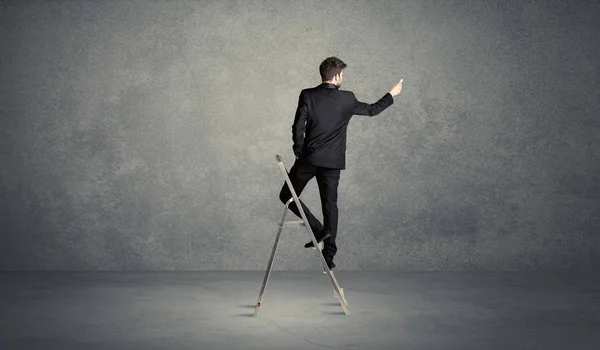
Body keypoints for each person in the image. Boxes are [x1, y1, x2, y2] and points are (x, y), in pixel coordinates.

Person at [278, 56, 403, 270]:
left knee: (287, 195)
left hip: (309, 158)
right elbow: (372, 110)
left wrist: (298, 150)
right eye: (342, 74)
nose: (342, 78)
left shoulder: (308, 95)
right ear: (336, 77)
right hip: (333, 162)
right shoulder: (347, 99)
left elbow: (297, 126)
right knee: (330, 206)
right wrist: (392, 94)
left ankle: (318, 229)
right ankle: (329, 255)